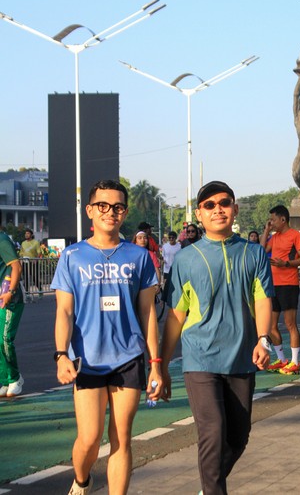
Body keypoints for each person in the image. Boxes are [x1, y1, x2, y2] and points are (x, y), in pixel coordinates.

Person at [160, 180, 273, 495]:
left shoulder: (254, 253)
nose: (217, 209)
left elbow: (263, 299)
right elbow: (176, 316)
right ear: (199, 214)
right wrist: (161, 365)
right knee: (212, 431)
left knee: (238, 436)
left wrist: (263, 339)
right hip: (200, 359)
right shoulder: (185, 259)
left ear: (234, 208)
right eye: (209, 205)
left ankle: (210, 485)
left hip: (241, 358)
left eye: (224, 203)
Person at [51, 180, 162, 495]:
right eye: (103, 205)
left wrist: (155, 363)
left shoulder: (139, 257)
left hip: (128, 357)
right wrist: (61, 355)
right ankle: (82, 480)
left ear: (124, 212)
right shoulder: (72, 256)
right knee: (89, 438)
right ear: (89, 210)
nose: (110, 212)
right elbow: (64, 311)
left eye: (117, 207)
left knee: (121, 438)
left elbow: (147, 313)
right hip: (87, 359)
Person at [260, 204, 300, 375]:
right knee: (271, 325)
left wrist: (286, 263)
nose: (271, 222)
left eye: (273, 220)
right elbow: (261, 251)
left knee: (290, 323)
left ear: (283, 219)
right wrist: (266, 231)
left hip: (289, 284)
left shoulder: (296, 236)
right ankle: (282, 360)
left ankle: (295, 362)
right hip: (273, 285)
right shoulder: (274, 237)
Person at [0, 230, 24, 397]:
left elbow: (16, 266)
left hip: (9, 299)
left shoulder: (1, 240)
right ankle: (6, 380)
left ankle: (15, 378)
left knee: (4, 340)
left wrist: (11, 292)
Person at [19, 228, 42, 294]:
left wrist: (36, 259)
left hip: (33, 263)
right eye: (25, 233)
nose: (26, 235)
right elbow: (21, 253)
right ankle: (27, 292)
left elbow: (39, 252)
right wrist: (21, 260)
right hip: (25, 262)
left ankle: (40, 290)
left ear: (31, 235)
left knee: (35, 277)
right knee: (25, 278)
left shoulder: (36, 242)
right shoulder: (23, 243)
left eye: (28, 233)